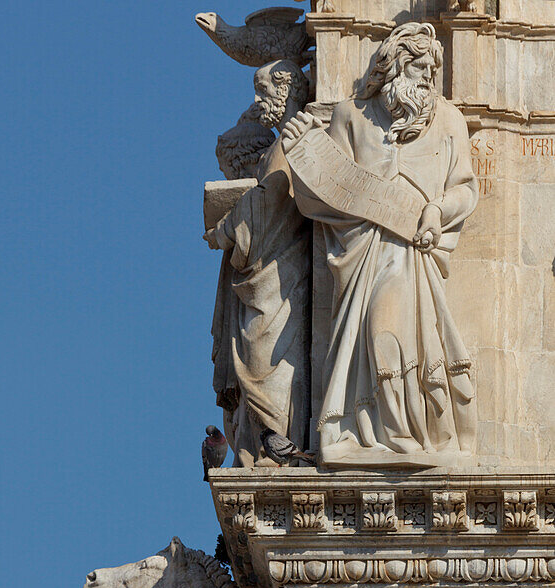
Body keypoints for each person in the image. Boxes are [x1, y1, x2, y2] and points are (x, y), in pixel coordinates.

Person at [283, 23, 478, 465]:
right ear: (395, 65)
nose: (429, 76)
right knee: (377, 333)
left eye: (433, 69)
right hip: (364, 254)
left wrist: (437, 211)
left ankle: (412, 434)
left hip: (414, 254)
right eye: (421, 65)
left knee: (405, 336)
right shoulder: (350, 116)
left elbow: (465, 189)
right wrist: (301, 151)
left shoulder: (448, 120)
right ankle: (379, 435)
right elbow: (324, 192)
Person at [205, 60, 312, 467]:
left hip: (278, 273)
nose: (257, 100)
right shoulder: (279, 144)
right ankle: (261, 445)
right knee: (259, 354)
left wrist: (226, 229)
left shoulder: (290, 143)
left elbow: (270, 198)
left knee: (267, 357)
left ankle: (277, 443)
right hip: (263, 268)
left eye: (264, 91)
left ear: (287, 91)